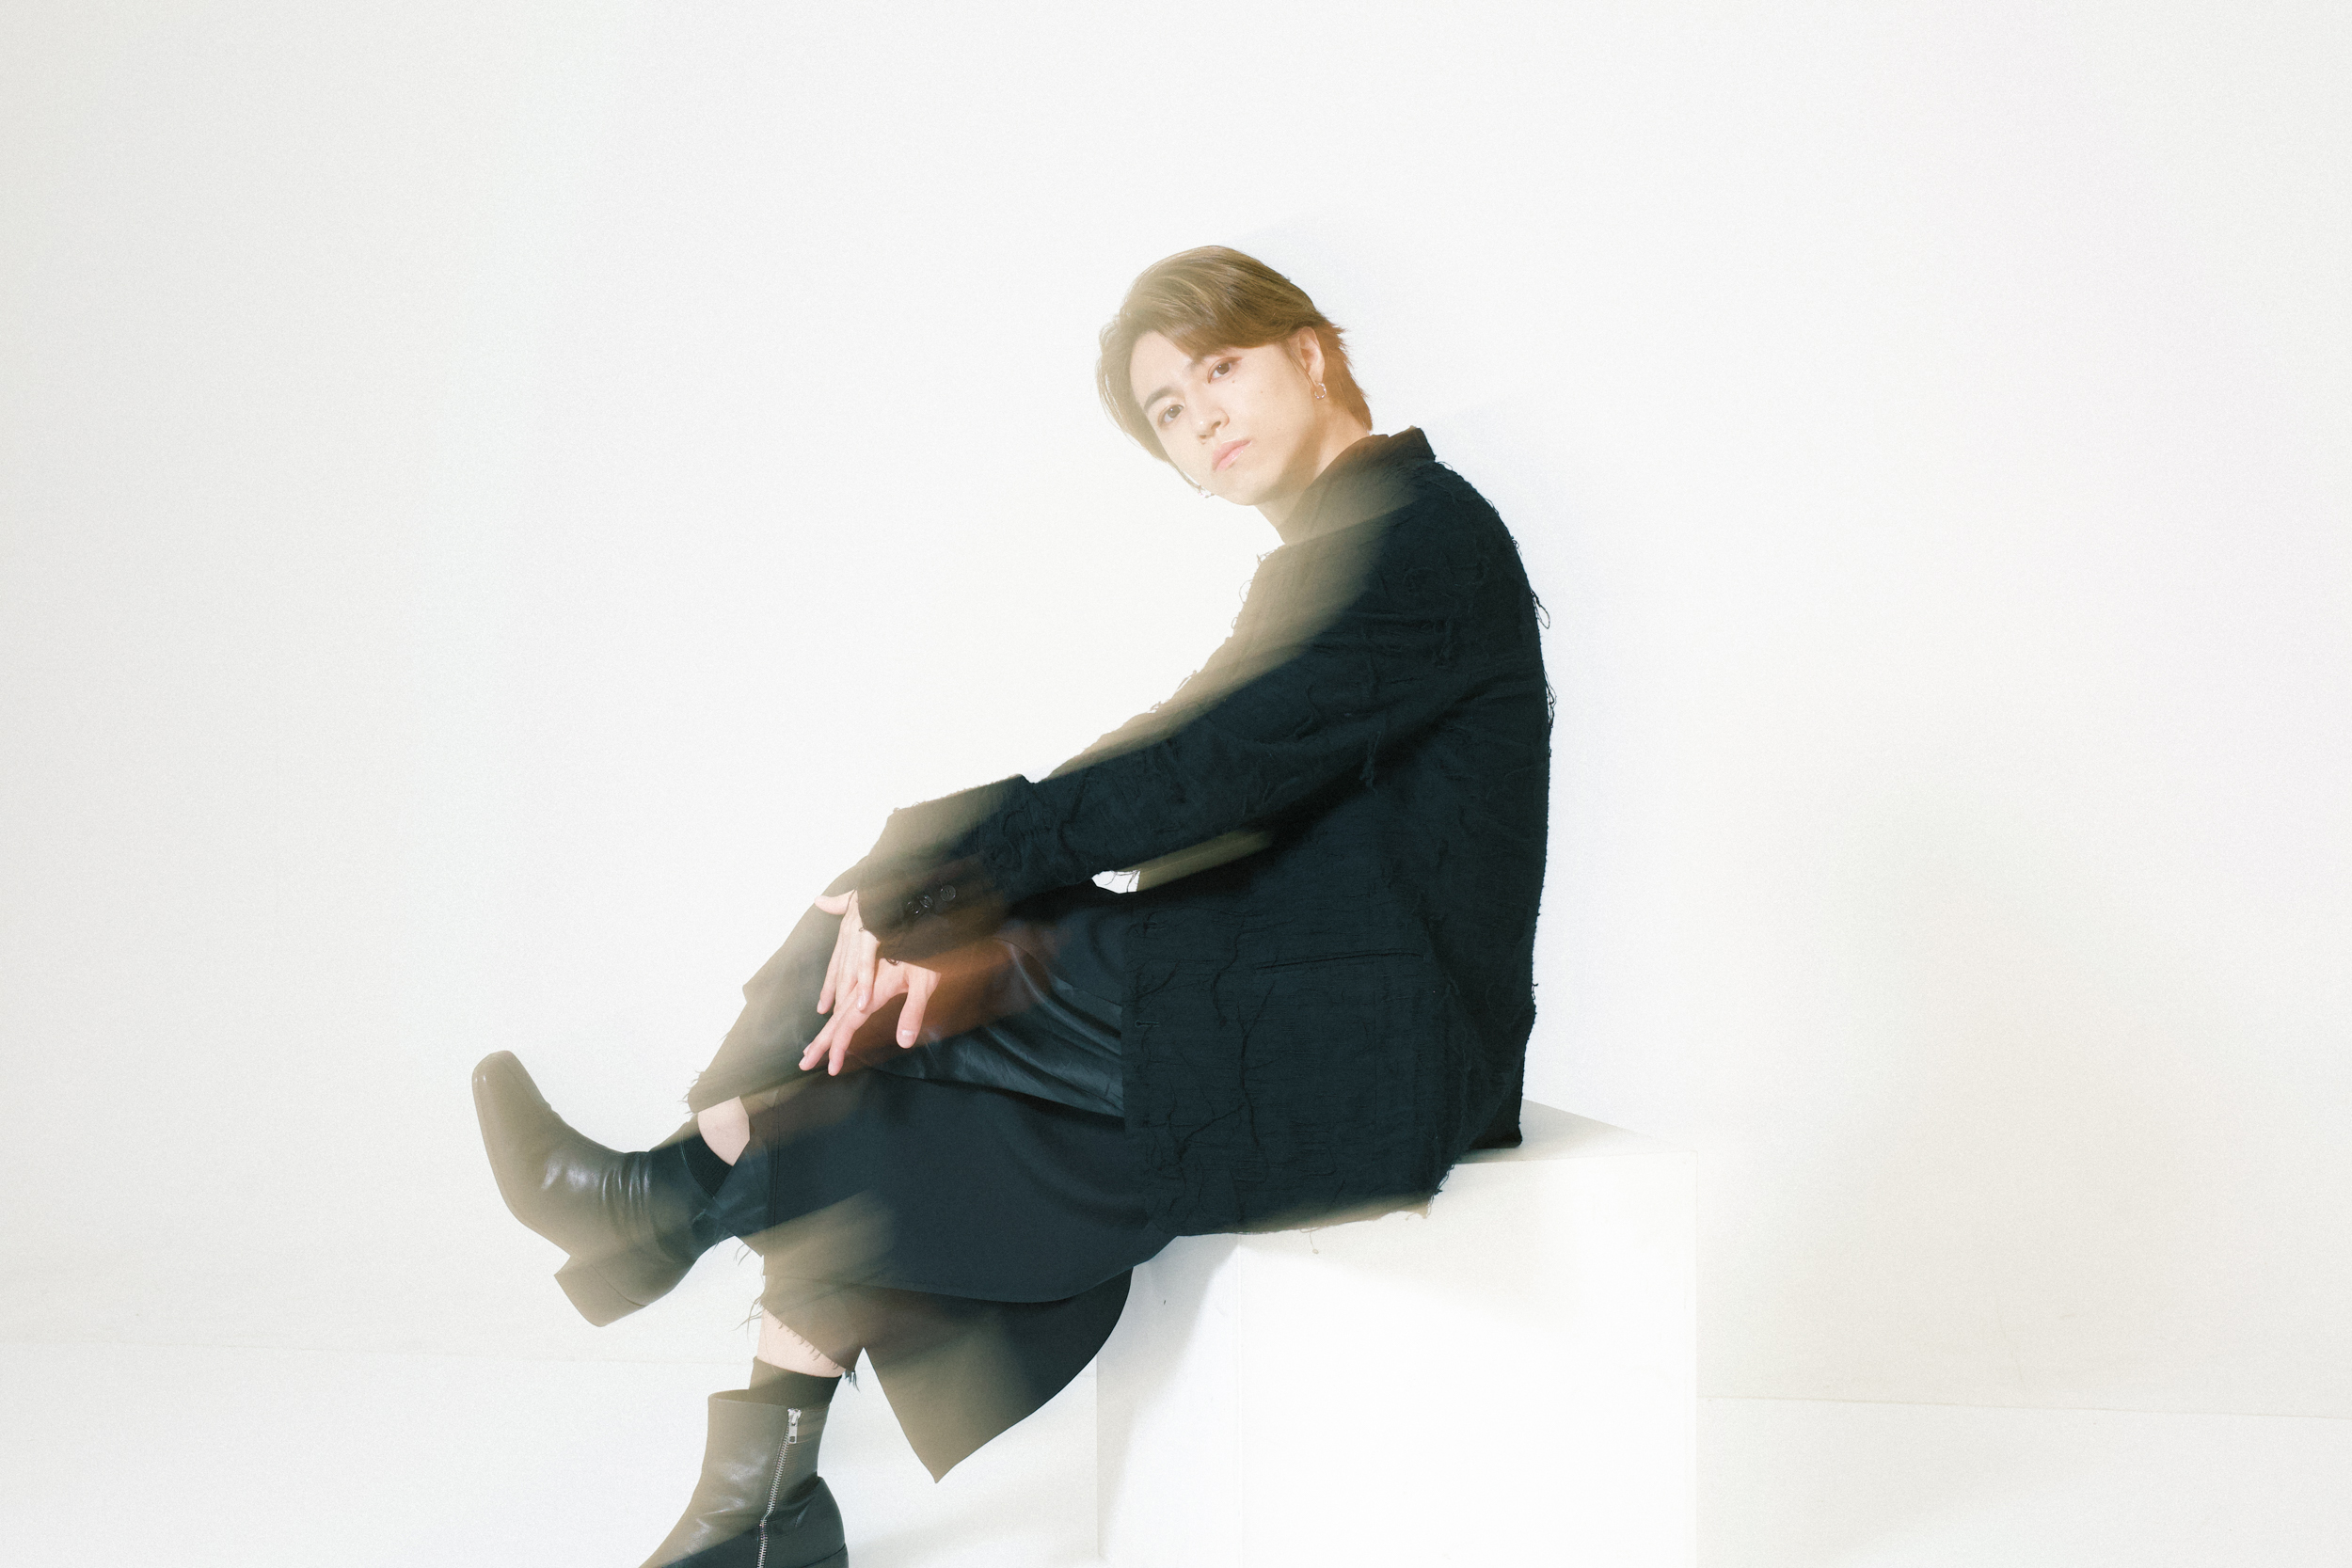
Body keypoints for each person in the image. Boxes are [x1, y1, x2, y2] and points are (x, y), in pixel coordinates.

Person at [472, 245, 1551, 1568]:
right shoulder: (1345, 547)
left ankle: (680, 1186)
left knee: (911, 904)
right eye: (1168, 409)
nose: (1201, 417)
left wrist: (948, 885)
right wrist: (951, 892)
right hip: (1298, 1010)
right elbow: (1175, 750)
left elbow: (1208, 768)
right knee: (898, 1033)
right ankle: (758, 1511)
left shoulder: (1420, 537)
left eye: (1220, 370)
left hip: (1371, 1051)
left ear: (1312, 352)